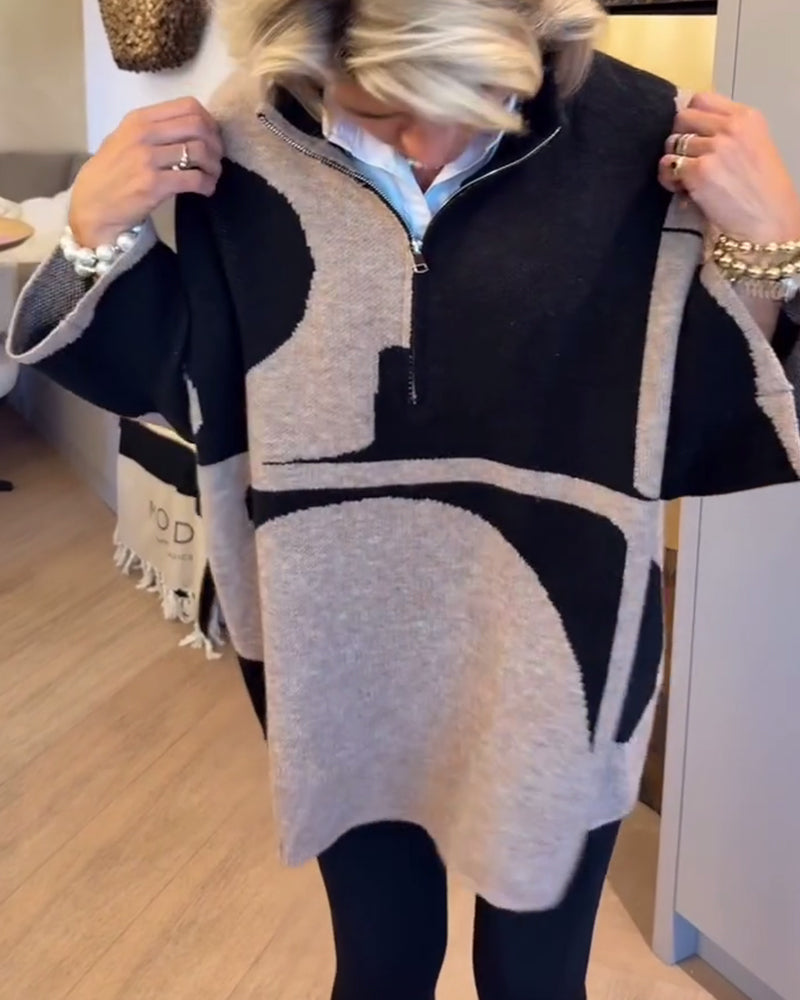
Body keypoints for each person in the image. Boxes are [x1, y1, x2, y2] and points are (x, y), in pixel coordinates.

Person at [8, 1, 800, 997]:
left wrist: (769, 247)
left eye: (476, 101)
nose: (425, 143)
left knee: (534, 980)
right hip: (332, 651)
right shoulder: (244, 140)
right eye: (382, 110)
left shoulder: (641, 138)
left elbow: (688, 430)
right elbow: (195, 390)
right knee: (381, 964)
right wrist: (92, 234)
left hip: (561, 653)